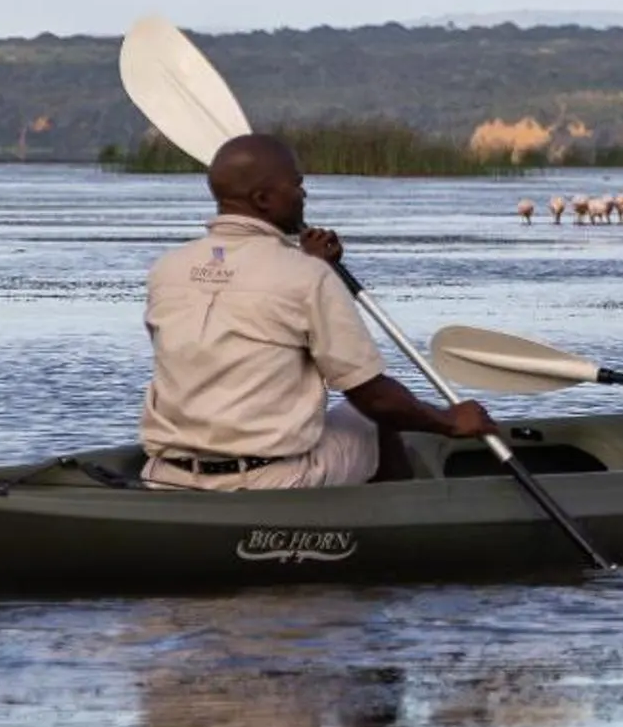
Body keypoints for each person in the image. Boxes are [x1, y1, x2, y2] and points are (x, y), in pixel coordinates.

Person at [140, 132, 495, 490]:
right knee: (376, 417)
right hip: (271, 481)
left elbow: (231, 333)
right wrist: (450, 420)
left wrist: (309, 265)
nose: (303, 195)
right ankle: (396, 524)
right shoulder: (307, 277)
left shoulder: (166, 270)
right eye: (296, 185)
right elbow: (374, 398)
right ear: (263, 199)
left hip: (166, 476)